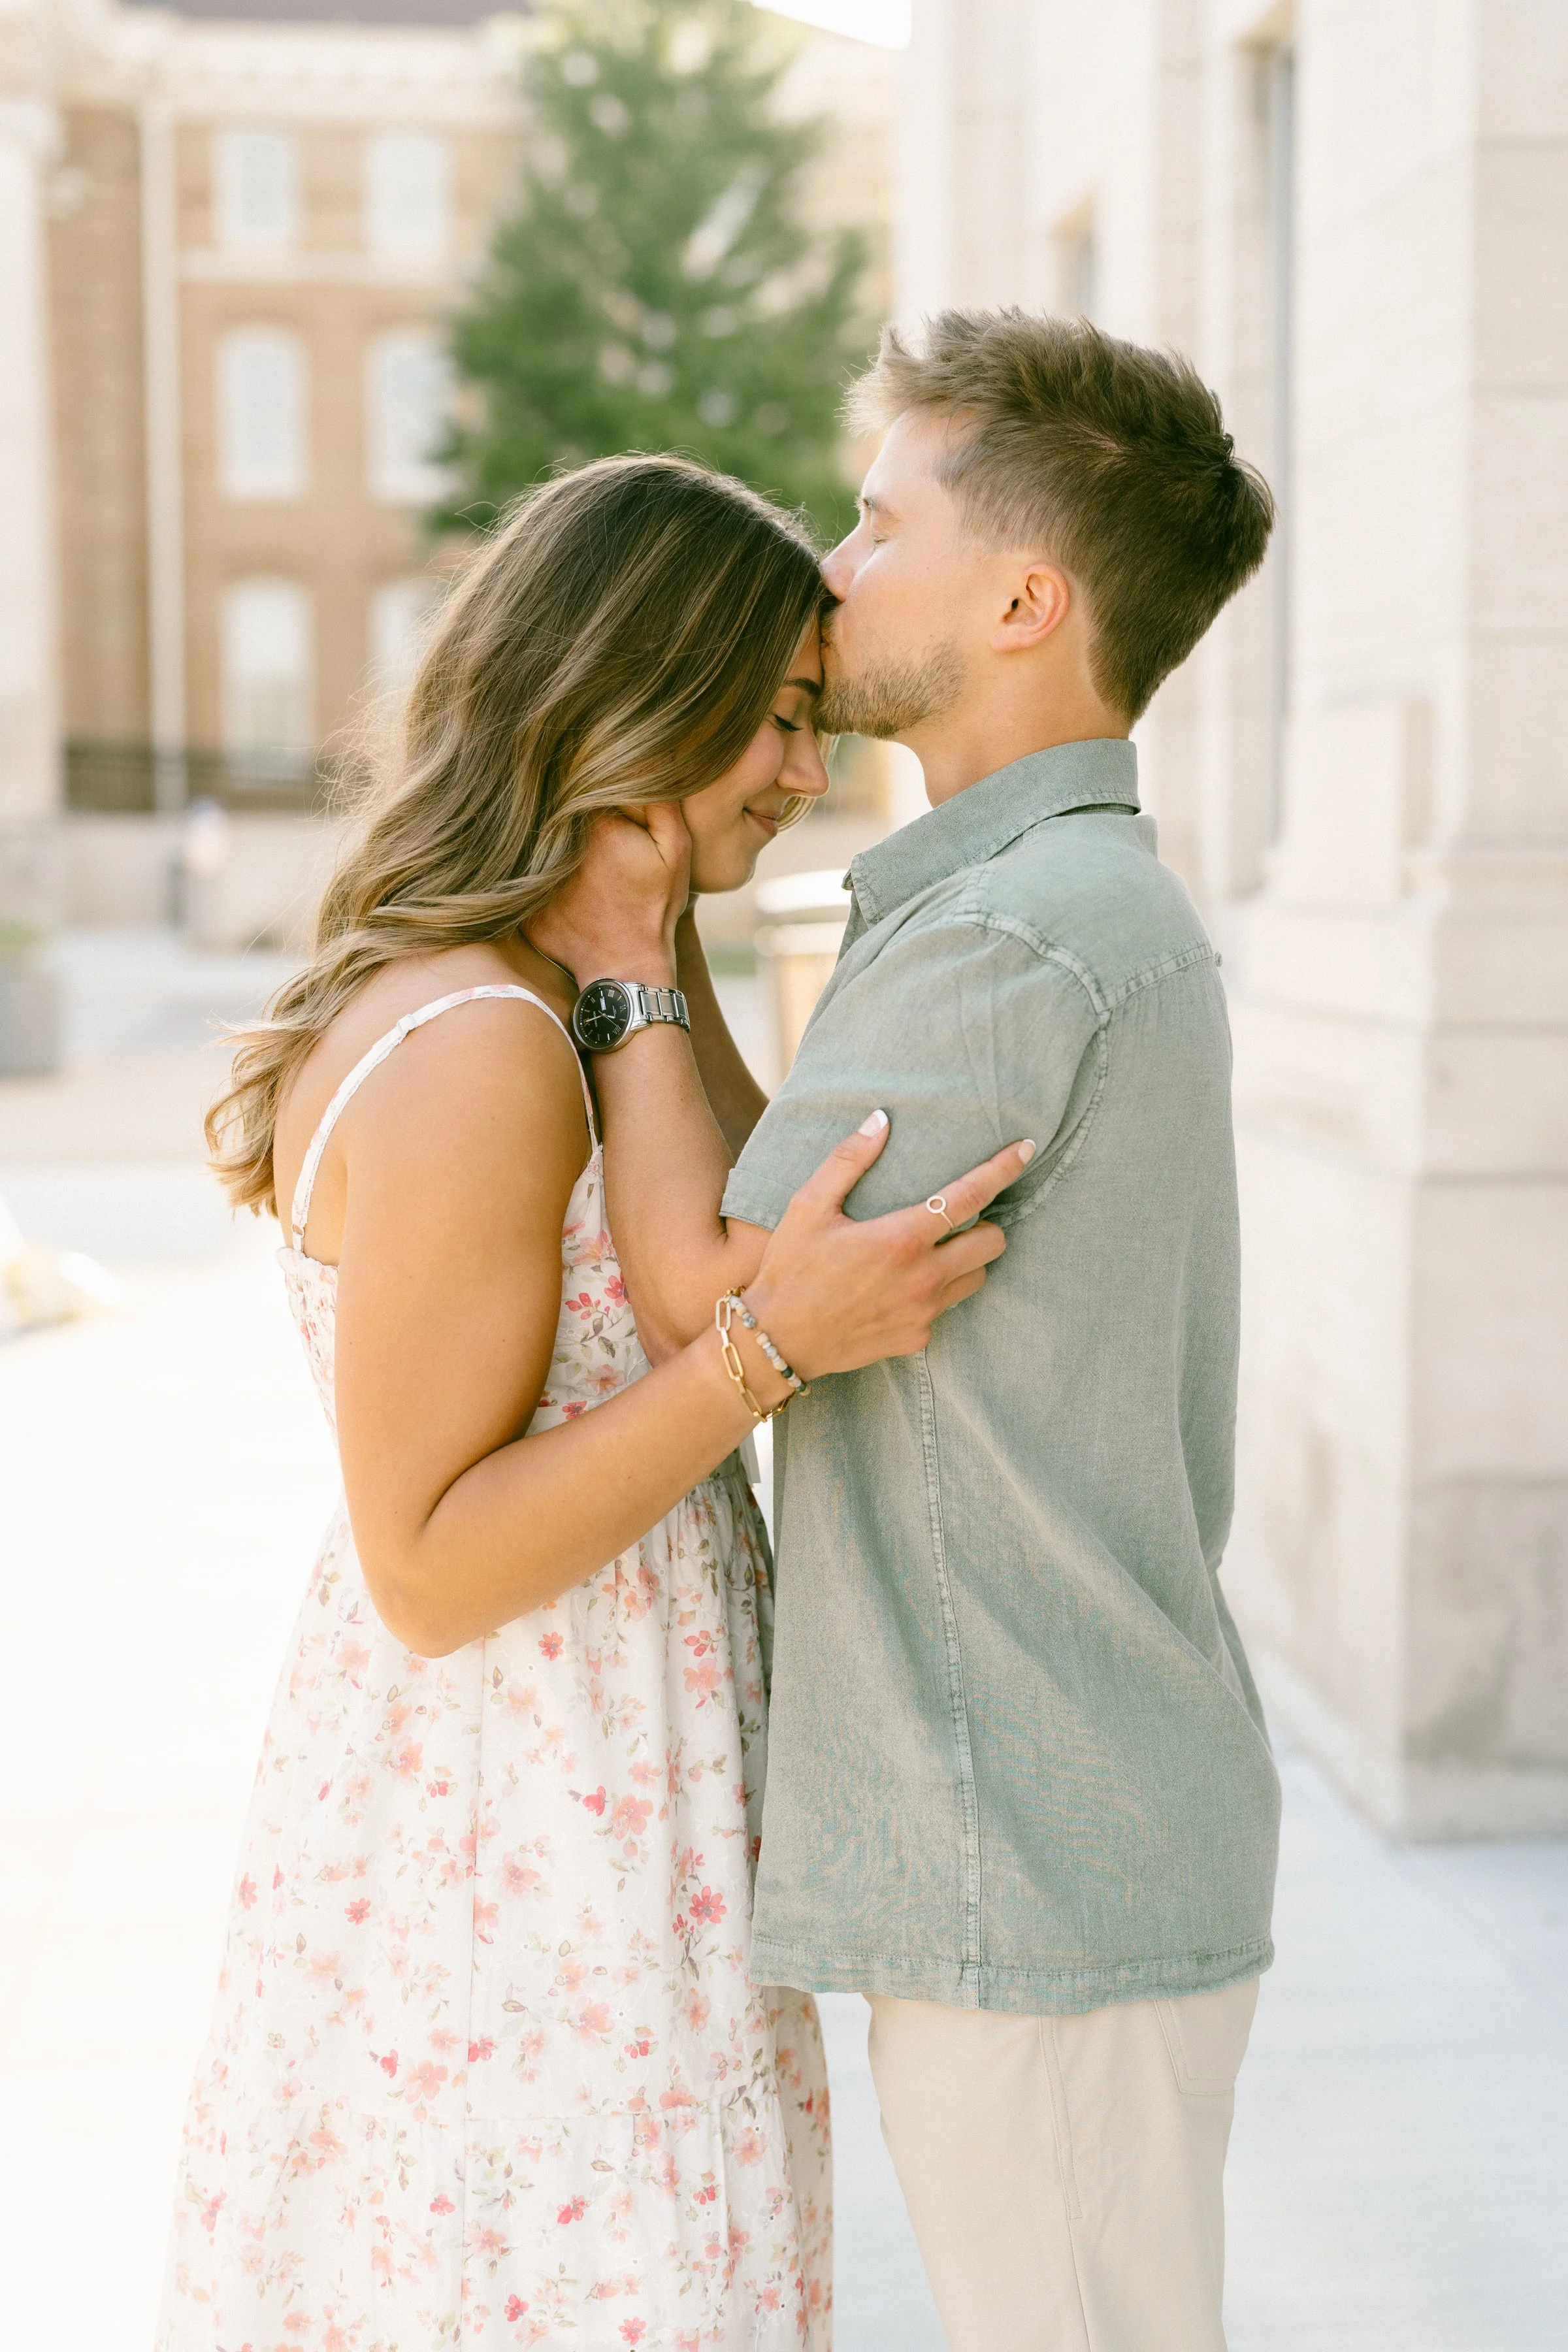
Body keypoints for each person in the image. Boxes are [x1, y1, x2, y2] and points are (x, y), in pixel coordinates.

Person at [155, 454, 1030, 2352]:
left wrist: (651, 962)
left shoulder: (585, 989)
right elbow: (432, 1568)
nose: (807, 775)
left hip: (611, 1780)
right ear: (643, 693)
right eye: (782, 721)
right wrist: (768, 1358)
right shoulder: (480, 1044)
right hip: (522, 1827)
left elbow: (713, 1230)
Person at [531, 311, 1284, 2352]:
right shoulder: (1025, 909)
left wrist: (620, 955)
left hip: (1036, 1865)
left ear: (1026, 597)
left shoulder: (1011, 937)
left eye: (879, 522)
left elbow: (715, 1294)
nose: (830, 567)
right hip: (1062, 1841)